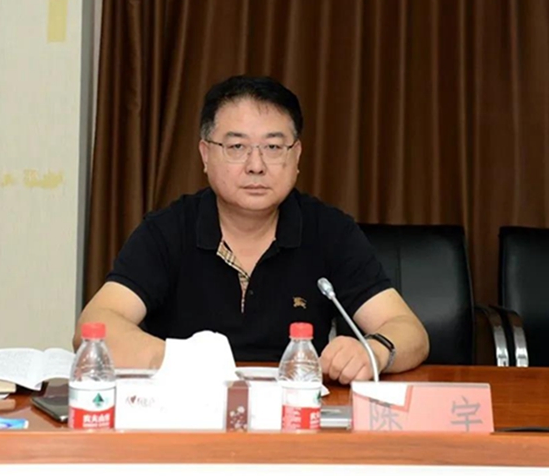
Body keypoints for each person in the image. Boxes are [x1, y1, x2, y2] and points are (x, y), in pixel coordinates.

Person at [74, 75, 429, 383]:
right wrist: (185, 362)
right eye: (237, 147)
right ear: (205, 155)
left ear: (296, 156)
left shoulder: (329, 230)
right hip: (190, 413)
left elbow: (409, 330)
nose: (256, 165)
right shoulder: (167, 230)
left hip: (296, 414)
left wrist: (374, 352)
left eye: (273, 147)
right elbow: (96, 326)